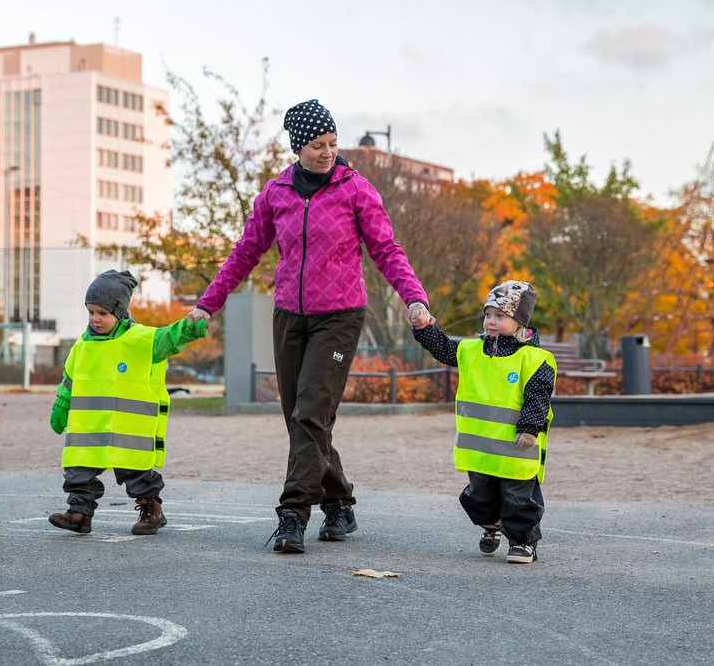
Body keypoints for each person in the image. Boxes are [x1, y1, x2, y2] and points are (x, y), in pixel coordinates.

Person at [187, 98, 434, 553]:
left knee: (309, 414)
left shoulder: (355, 189)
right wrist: (207, 304)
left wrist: (414, 298)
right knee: (303, 419)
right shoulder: (275, 193)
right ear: (298, 146)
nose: (328, 152)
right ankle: (339, 500)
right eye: (318, 145)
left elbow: (387, 250)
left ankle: (293, 514)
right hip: (290, 316)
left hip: (339, 316)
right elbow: (245, 253)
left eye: (333, 143)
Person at [48, 269, 206, 536]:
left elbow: (168, 338)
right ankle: (79, 514)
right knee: (78, 472)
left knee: (137, 475)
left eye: (102, 313)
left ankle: (152, 510)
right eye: (91, 312)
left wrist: (189, 328)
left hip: (129, 430)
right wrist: (61, 404)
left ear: (120, 312)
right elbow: (70, 378)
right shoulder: (82, 345)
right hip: (89, 429)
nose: (95, 319)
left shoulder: (140, 339)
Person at [412, 280, 556, 563]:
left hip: (516, 448)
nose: (491, 321)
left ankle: (523, 541)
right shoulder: (471, 350)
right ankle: (491, 525)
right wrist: (424, 328)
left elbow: (537, 397)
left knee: (518, 499)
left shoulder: (535, 359)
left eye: (500, 316)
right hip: (479, 449)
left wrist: (529, 429)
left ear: (519, 322)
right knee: (479, 496)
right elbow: (443, 348)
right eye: (488, 314)